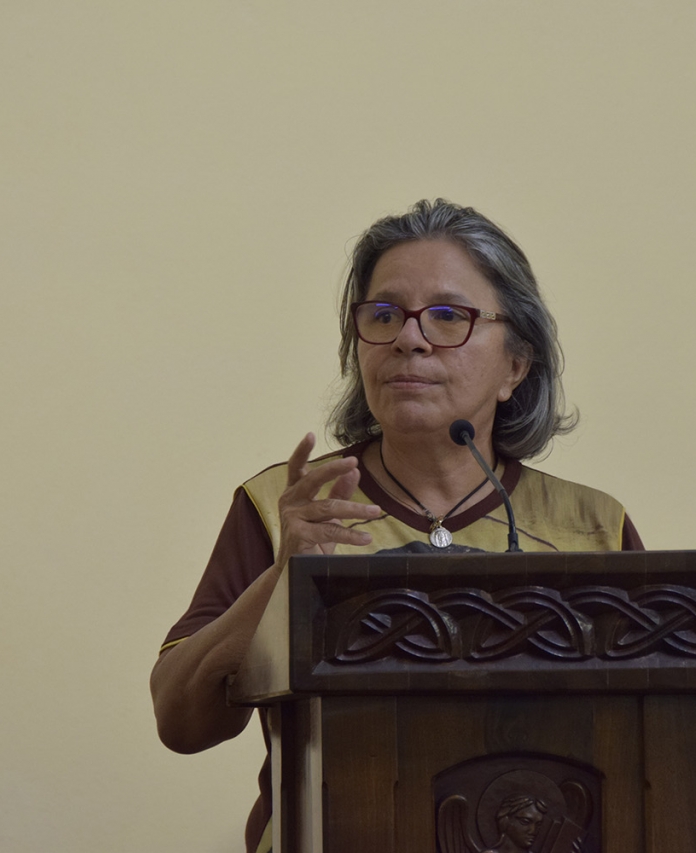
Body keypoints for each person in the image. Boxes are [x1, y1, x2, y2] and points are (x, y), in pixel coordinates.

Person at [149, 199, 643, 853]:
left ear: (516, 365)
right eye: (383, 315)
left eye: (448, 316)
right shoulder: (286, 508)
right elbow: (181, 722)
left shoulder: (593, 528)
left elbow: (643, 747)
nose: (409, 338)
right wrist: (284, 579)